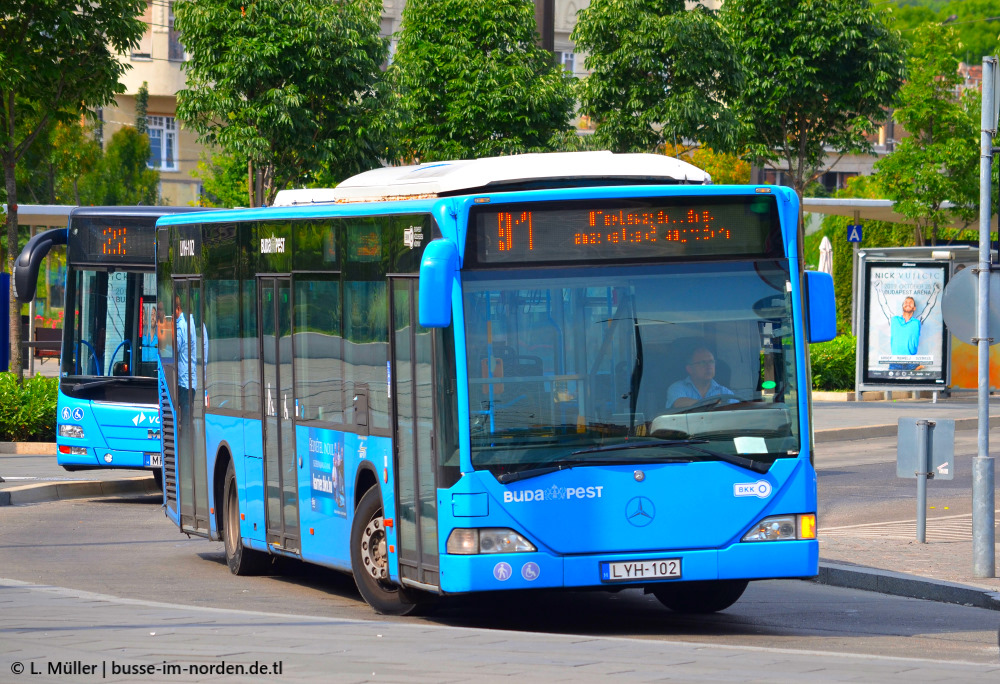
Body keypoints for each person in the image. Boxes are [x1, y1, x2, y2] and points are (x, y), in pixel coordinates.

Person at [873, 281, 941, 370]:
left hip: (912, 362)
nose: (907, 303)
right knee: (892, 383)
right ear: (902, 306)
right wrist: (878, 289)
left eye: (910, 302)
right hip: (895, 362)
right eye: (906, 302)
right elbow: (883, 304)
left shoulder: (917, 322)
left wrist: (936, 291)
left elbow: (929, 306)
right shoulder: (894, 319)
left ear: (914, 308)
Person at [665, 346, 736, 408]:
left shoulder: (724, 392)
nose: (709, 366)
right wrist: (710, 403)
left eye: (711, 362)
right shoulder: (677, 387)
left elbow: (737, 410)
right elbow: (679, 403)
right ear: (689, 369)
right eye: (702, 362)